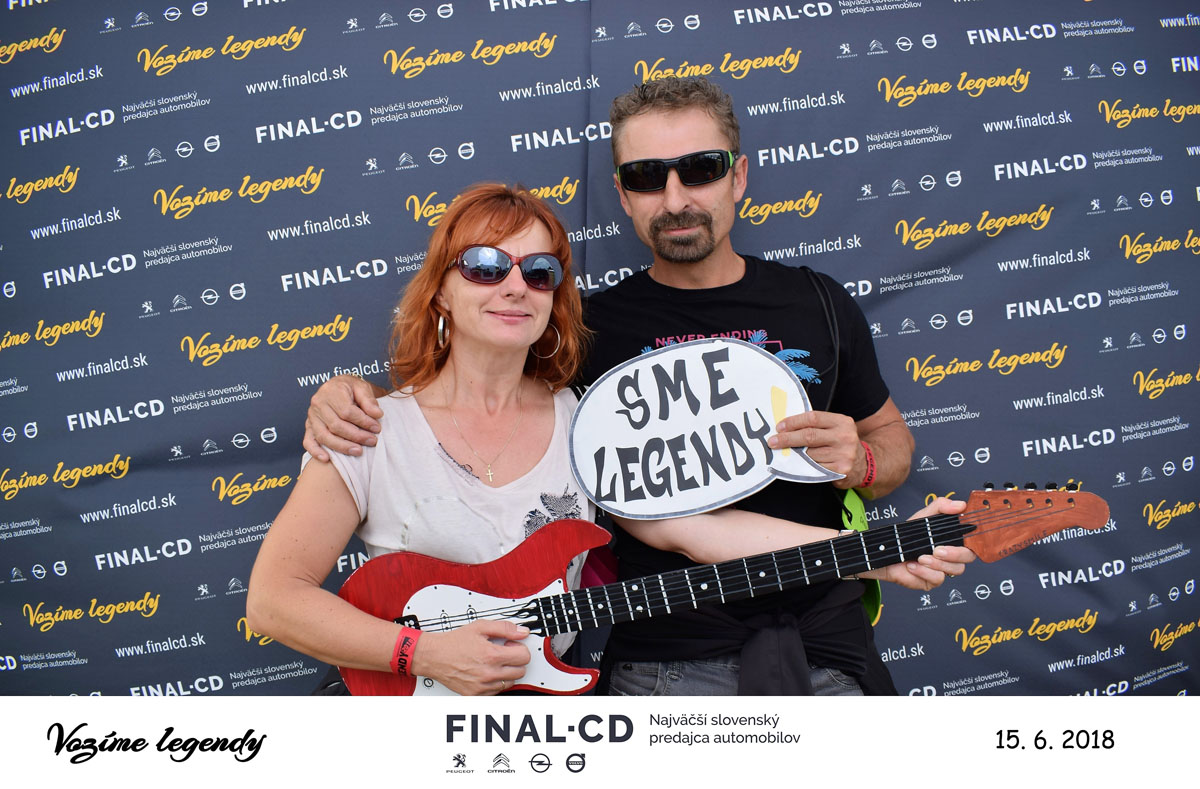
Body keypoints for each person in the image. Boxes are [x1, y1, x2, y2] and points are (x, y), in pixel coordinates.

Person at [303, 78, 975, 695]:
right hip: (664, 661)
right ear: (623, 195)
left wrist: (865, 482)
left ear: (739, 176)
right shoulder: (579, 339)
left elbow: (714, 525)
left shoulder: (818, 301)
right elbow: (478, 385)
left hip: (828, 642)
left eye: (701, 169)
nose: (676, 199)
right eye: (647, 177)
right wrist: (342, 397)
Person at [246, 183, 593, 695]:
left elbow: (677, 530)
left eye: (539, 272)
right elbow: (273, 601)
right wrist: (425, 654)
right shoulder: (368, 428)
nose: (516, 287)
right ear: (440, 293)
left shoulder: (586, 421)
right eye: (485, 266)